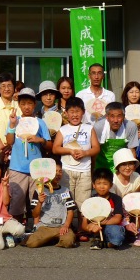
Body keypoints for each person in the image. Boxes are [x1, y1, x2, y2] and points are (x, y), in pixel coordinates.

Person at [52, 96, 100, 239]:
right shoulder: (63, 130)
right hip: (67, 171)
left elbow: (96, 148)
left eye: (77, 111)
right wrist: (70, 151)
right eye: (71, 112)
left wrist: (85, 152)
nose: (74, 115)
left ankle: (82, 228)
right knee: (67, 199)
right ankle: (67, 226)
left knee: (83, 201)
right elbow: (55, 148)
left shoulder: (89, 128)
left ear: (83, 112)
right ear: (66, 113)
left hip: (84, 171)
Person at [6, 88, 52, 222]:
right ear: (19, 105)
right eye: (23, 103)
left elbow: (50, 146)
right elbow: (9, 142)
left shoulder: (40, 122)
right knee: (16, 200)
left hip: (37, 168)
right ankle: (17, 228)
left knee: (37, 198)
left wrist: (40, 140)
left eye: (30, 104)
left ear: (34, 105)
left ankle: (37, 226)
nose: (26, 107)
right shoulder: (15, 120)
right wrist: (12, 125)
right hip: (17, 167)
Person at [25, 161, 76, 248]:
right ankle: (50, 238)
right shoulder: (39, 191)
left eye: (60, 171)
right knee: (31, 243)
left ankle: (54, 239)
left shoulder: (65, 191)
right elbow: (35, 214)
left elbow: (70, 211)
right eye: (55, 171)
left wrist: (66, 225)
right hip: (45, 227)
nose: (58, 174)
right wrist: (40, 203)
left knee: (68, 242)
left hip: (61, 226)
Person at [82, 168, 125, 250]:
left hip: (111, 227)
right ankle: (97, 238)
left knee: (117, 238)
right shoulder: (90, 201)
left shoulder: (116, 198)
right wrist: (89, 227)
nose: (102, 187)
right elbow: (84, 223)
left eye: (105, 183)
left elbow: (117, 218)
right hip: (96, 230)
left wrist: (100, 222)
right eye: (98, 183)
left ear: (111, 185)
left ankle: (105, 243)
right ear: (93, 185)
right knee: (96, 229)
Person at [93, 102, 139, 173]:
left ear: (124, 117)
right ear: (107, 117)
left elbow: (132, 151)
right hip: (101, 164)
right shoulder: (98, 127)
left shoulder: (130, 126)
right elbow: (94, 151)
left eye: (119, 116)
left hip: (121, 165)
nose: (116, 120)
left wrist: (132, 173)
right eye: (112, 116)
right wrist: (92, 171)